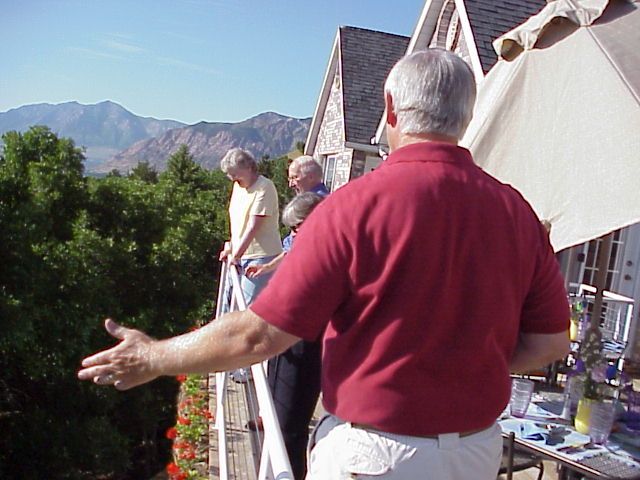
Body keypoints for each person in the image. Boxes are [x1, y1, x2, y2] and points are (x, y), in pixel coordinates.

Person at [78, 49, 570, 480]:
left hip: (376, 457)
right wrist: (466, 363)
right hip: (476, 453)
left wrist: (152, 357)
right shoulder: (516, 213)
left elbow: (258, 336)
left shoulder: (352, 208)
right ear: (466, 116)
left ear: (391, 109)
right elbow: (549, 343)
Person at [247, 192, 325, 480]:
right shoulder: (308, 247)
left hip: (306, 345)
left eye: (296, 228)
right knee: (280, 422)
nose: (292, 235)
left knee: (289, 429)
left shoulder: (325, 252)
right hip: (288, 342)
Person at [218, 147, 282, 308]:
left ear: (248, 168)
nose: (233, 179)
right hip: (239, 254)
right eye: (230, 175)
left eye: (235, 174)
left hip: (261, 256)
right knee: (228, 303)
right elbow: (238, 221)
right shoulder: (237, 187)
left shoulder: (265, 187)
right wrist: (232, 248)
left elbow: (253, 226)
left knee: (248, 308)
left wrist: (236, 255)